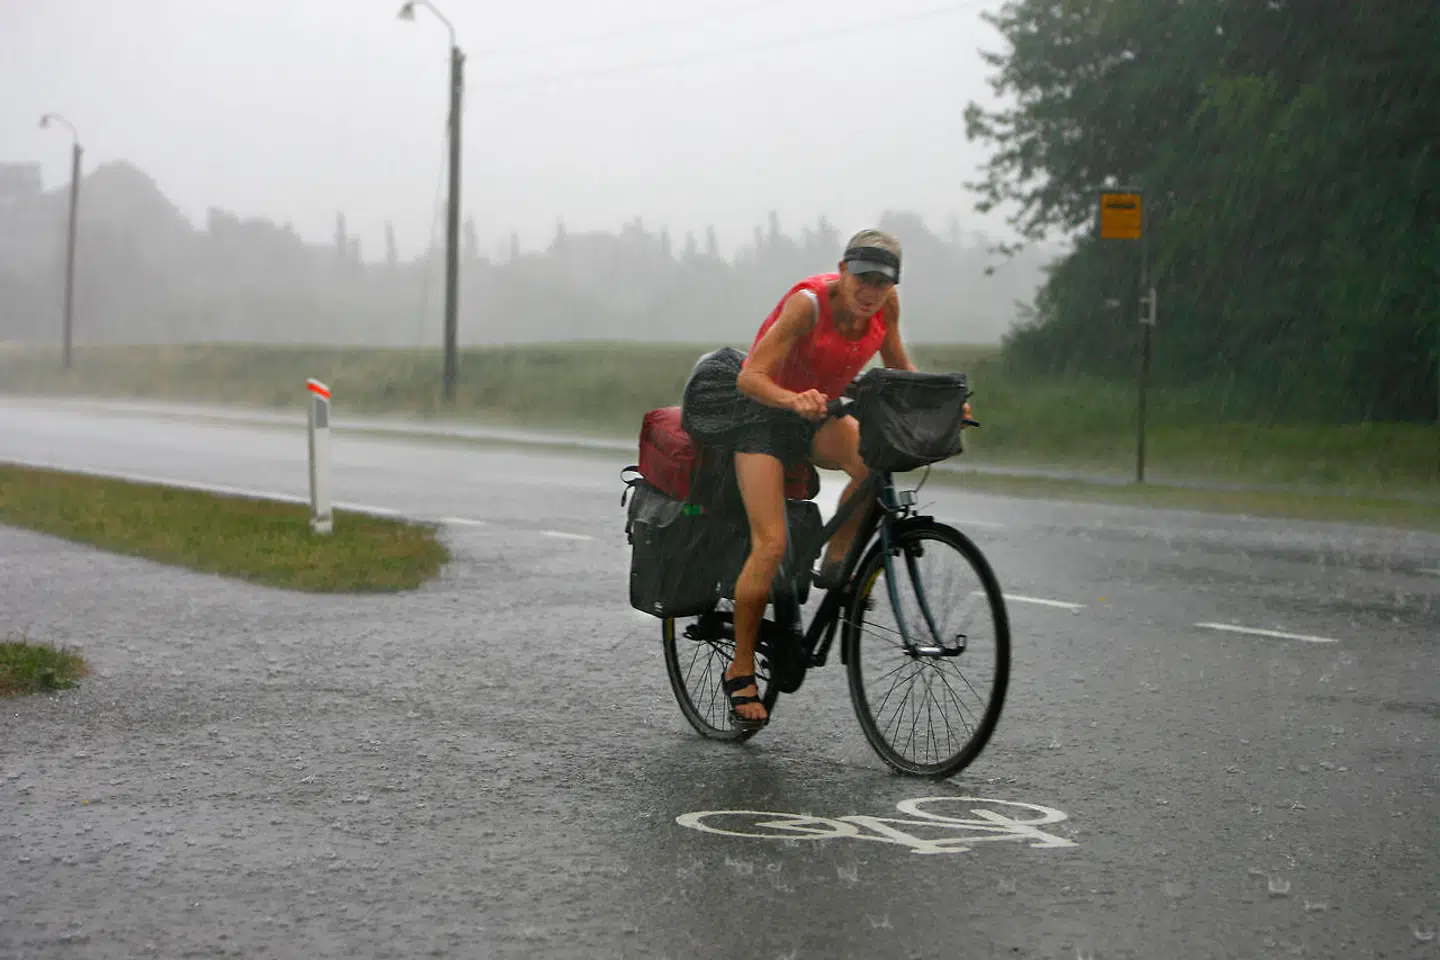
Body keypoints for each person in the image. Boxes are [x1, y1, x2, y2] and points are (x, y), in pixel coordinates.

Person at [721, 228, 949, 729]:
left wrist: (942, 402)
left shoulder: (885, 311)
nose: (871, 292)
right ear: (843, 272)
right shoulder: (808, 306)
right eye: (863, 278)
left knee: (874, 467)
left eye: (883, 283)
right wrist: (791, 397)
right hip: (762, 417)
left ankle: (838, 561)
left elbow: (898, 372)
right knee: (771, 544)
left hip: (818, 413)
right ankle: (740, 669)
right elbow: (749, 376)